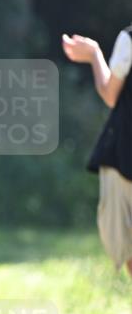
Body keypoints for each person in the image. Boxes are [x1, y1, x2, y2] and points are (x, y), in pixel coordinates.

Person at [62, 26, 132, 278]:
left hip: (124, 158)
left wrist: (93, 55)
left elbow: (110, 94)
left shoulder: (129, 39)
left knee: (126, 246)